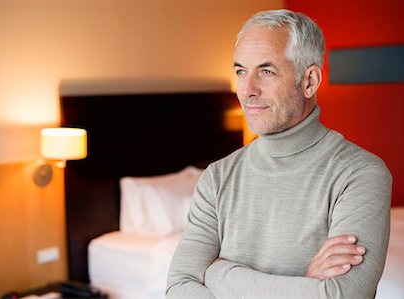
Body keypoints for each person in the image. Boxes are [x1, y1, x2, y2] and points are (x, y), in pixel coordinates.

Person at [166, 9, 392, 298]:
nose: (247, 90)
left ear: (309, 81)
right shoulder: (217, 177)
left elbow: (340, 295)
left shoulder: (361, 173)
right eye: (240, 71)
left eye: (266, 71)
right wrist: (304, 286)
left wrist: (215, 272)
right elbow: (178, 288)